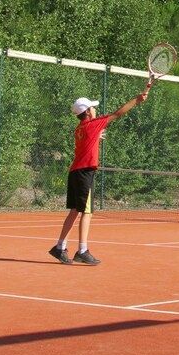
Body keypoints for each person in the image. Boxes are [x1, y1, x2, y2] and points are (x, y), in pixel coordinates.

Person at [49, 79, 153, 265]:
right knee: (87, 212)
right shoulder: (92, 124)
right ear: (88, 112)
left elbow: (88, 141)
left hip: (75, 172)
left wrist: (97, 136)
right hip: (84, 172)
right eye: (93, 107)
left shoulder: (79, 129)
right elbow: (117, 113)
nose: (95, 109)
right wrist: (137, 100)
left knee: (74, 211)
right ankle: (82, 250)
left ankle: (60, 247)